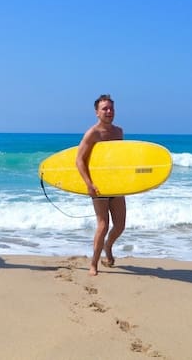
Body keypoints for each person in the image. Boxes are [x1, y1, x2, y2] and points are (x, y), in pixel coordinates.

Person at [76, 93, 125, 276]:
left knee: (120, 225)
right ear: (97, 112)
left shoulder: (119, 132)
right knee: (103, 225)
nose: (109, 111)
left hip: (116, 184)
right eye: (105, 108)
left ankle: (108, 246)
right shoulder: (93, 133)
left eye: (111, 108)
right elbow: (79, 160)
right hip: (99, 184)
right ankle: (93, 264)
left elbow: (120, 159)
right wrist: (89, 184)